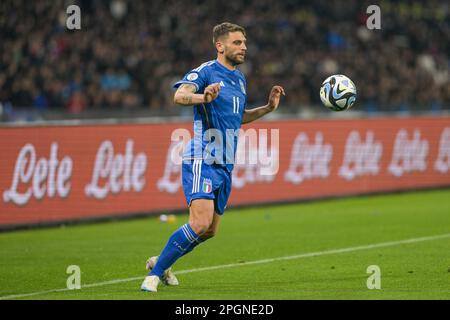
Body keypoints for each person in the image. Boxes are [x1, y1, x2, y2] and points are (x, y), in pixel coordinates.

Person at [141, 22, 285, 292]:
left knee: (209, 231)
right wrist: (202, 98)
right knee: (199, 222)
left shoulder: (240, 79)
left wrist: (267, 108)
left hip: (226, 163)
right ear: (220, 46)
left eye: (244, 42)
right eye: (237, 42)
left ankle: (160, 261)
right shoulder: (206, 71)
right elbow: (179, 96)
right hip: (203, 156)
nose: (244, 47)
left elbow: (238, 117)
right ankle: (153, 276)